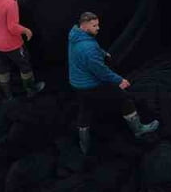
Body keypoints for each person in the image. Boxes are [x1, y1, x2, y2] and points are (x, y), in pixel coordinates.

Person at [68, 12, 159, 154]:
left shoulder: (75, 35)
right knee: (125, 99)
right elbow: (101, 72)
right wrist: (120, 80)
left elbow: (91, 52)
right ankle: (139, 130)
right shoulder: (88, 48)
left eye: (98, 24)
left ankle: (84, 143)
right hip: (90, 85)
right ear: (85, 27)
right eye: (94, 26)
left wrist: (103, 53)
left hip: (76, 83)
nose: (98, 28)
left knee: (85, 110)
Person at [0, 0, 43, 98]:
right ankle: (30, 89)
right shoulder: (10, 4)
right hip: (10, 44)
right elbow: (12, 27)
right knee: (24, 64)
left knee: (1, 68)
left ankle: (7, 95)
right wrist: (26, 30)